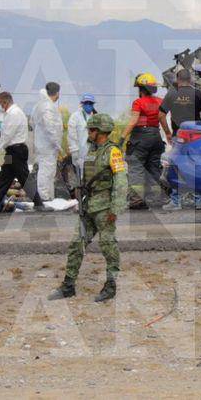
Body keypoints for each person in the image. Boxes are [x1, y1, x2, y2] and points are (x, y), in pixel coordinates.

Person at [48, 113, 127, 303]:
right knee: (76, 244)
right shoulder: (91, 150)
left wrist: (115, 209)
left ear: (100, 131)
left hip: (105, 208)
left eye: (91, 129)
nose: (89, 133)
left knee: (108, 246)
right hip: (89, 206)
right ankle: (68, 286)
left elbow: (121, 181)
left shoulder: (112, 152)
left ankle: (110, 286)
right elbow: (85, 176)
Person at [0, 91, 46, 213]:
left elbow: (7, 136)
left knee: (24, 178)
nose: (1, 108)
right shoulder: (12, 113)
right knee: (4, 177)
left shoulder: (14, 114)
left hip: (16, 151)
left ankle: (39, 203)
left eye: (1, 104)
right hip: (11, 152)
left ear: (5, 102)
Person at [159, 69, 201, 211]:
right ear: (190, 79)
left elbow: (161, 115)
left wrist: (168, 133)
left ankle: (176, 202)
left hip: (178, 137)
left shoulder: (172, 93)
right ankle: (199, 201)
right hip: (196, 137)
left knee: (176, 167)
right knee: (198, 167)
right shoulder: (198, 94)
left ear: (177, 79)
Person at [123, 73, 165, 209]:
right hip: (156, 136)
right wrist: (169, 134)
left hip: (140, 138)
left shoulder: (138, 102)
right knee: (154, 168)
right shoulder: (160, 101)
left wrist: (122, 137)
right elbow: (162, 119)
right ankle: (155, 199)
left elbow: (134, 121)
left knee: (136, 169)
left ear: (140, 89)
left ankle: (136, 200)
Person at [31, 81, 64, 202]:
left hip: (45, 145)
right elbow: (50, 128)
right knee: (46, 172)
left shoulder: (41, 105)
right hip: (48, 145)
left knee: (49, 171)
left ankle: (48, 197)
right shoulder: (47, 107)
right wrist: (58, 145)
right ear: (57, 93)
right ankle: (44, 197)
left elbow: (32, 123)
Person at [66, 93, 95, 179]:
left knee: (90, 174)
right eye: (86, 103)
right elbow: (71, 134)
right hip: (79, 152)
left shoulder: (93, 116)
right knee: (80, 175)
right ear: (82, 104)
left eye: (90, 103)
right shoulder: (75, 116)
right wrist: (74, 150)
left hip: (90, 152)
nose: (88, 105)